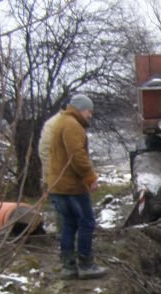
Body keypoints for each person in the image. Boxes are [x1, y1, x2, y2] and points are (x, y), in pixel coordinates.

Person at [47, 94, 107, 280]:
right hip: (71, 186)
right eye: (89, 111)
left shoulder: (61, 123)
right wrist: (90, 177)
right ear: (82, 109)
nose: (90, 115)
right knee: (86, 221)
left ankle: (68, 266)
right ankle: (86, 264)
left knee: (69, 224)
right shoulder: (73, 126)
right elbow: (77, 156)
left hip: (58, 186)